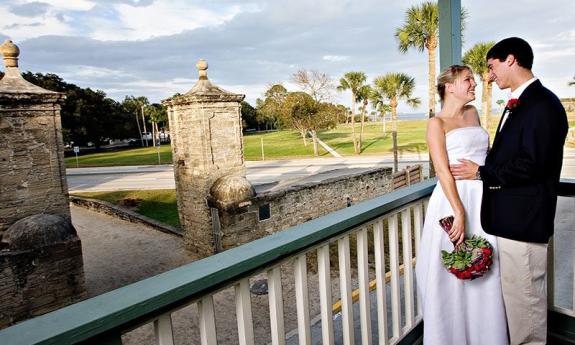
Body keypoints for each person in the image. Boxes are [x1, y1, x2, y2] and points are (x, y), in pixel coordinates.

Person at [450, 37, 568, 344]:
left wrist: (481, 172)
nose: (489, 76)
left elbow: (532, 164)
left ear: (511, 60)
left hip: (524, 223)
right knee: (517, 303)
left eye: (491, 66)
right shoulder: (521, 102)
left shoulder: (542, 104)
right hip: (510, 222)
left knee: (526, 307)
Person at [415, 65, 508, 344]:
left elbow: (486, 155)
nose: (474, 84)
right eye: (467, 80)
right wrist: (458, 211)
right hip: (453, 200)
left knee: (486, 269)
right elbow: (442, 171)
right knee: (450, 274)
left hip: (482, 197)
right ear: (450, 86)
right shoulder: (436, 123)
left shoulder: (472, 114)